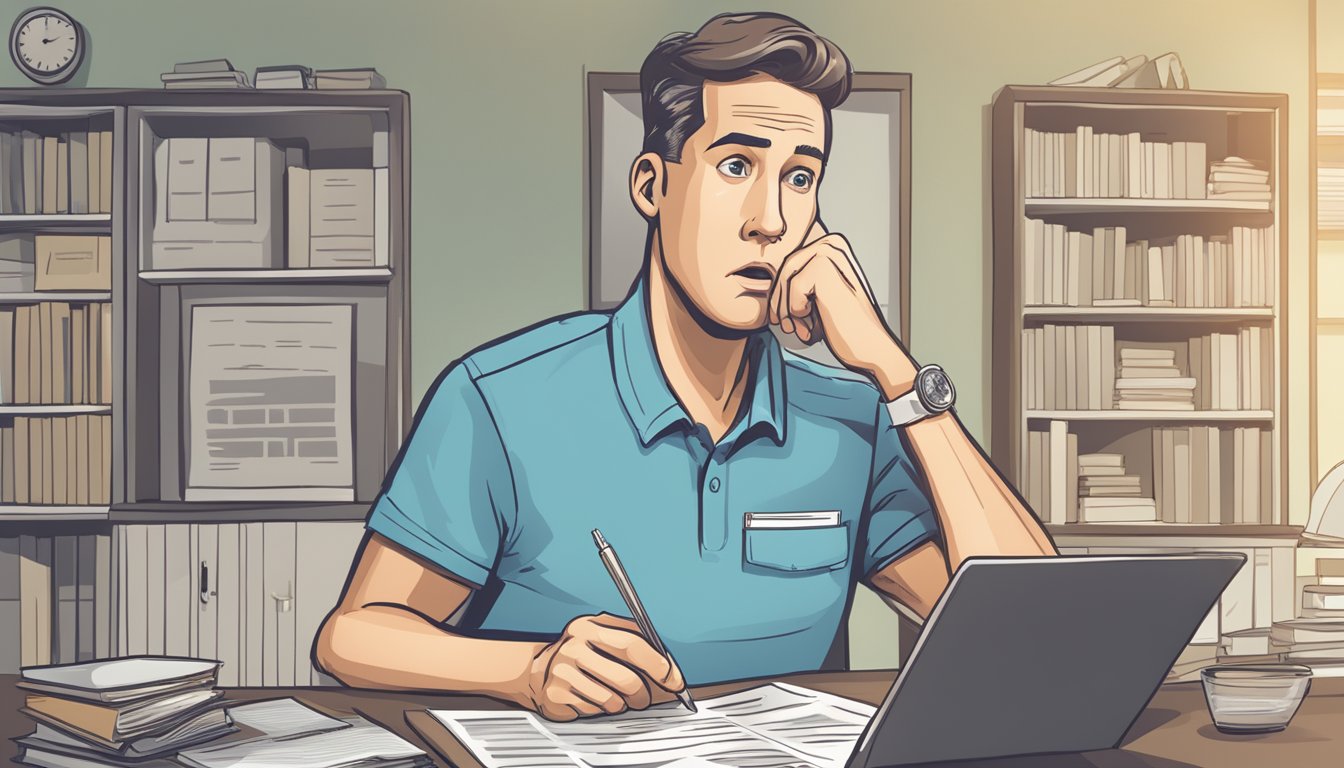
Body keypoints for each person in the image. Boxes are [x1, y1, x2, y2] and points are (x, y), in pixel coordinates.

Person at [315, 11, 1055, 722]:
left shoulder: (854, 417)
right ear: (651, 186)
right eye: (737, 164)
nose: (770, 218)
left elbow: (1033, 636)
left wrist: (898, 375)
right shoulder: (498, 399)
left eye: (800, 178)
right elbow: (355, 634)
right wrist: (526, 671)